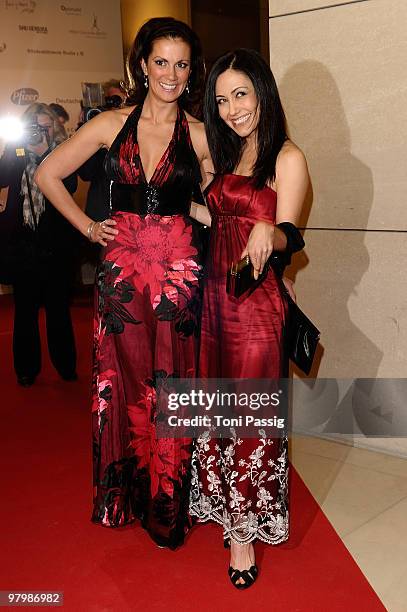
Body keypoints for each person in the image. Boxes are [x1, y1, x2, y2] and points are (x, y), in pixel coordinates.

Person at [35, 18, 212, 549]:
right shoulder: (111, 123)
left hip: (178, 277)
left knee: (174, 382)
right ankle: (125, 497)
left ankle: (168, 505)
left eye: (181, 64)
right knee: (124, 381)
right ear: (142, 64)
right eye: (162, 61)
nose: (171, 74)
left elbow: (218, 204)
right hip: (122, 276)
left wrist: (212, 221)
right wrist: (89, 227)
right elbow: (48, 174)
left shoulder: (202, 134)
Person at [189, 49, 310, 588]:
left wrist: (271, 231)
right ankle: (226, 509)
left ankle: (243, 538)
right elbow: (218, 219)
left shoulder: (287, 157)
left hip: (257, 308)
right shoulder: (228, 152)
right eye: (222, 99)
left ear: (262, 91)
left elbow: (291, 234)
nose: (233, 108)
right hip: (215, 297)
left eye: (241, 94)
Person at [0, 103, 78, 386]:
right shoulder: (17, 151)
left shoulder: (63, 149)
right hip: (23, 244)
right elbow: (2, 177)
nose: (39, 132)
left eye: (45, 127)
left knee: (59, 310)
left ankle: (66, 366)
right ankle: (26, 369)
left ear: (53, 127)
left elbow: (69, 185)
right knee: (25, 312)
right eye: (34, 127)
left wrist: (45, 153)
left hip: (55, 243)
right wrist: (17, 148)